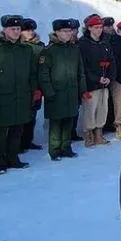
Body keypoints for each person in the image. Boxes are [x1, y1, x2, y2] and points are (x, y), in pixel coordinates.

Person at [0, 15, 35, 173]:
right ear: (4, 30)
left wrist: (32, 93)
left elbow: (32, 73)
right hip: (3, 97)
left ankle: (13, 158)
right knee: (0, 132)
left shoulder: (26, 50)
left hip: (21, 96)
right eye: (12, 29)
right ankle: (0, 162)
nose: (16, 31)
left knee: (17, 130)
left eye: (18, 29)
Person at [39, 18, 86, 161]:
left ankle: (66, 147)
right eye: (63, 31)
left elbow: (80, 71)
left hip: (71, 91)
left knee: (69, 121)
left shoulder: (74, 49)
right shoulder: (48, 51)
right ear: (57, 32)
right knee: (56, 123)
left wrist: (82, 90)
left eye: (69, 31)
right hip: (56, 92)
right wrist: (49, 92)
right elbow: (43, 74)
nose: (67, 34)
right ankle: (54, 150)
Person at [80, 14, 115, 147]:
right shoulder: (84, 43)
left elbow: (112, 60)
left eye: (100, 27)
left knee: (102, 108)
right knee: (90, 109)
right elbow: (84, 66)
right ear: (89, 28)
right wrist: (95, 78)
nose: (99, 30)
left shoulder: (105, 42)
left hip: (104, 83)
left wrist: (109, 77)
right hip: (92, 84)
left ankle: (99, 133)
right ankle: (89, 134)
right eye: (96, 27)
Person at [19, 18, 46, 152]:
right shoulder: (18, 46)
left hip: (37, 86)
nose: (29, 33)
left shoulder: (40, 46)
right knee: (20, 116)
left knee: (32, 115)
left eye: (31, 30)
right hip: (22, 86)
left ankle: (28, 140)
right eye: (26, 30)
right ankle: (18, 143)